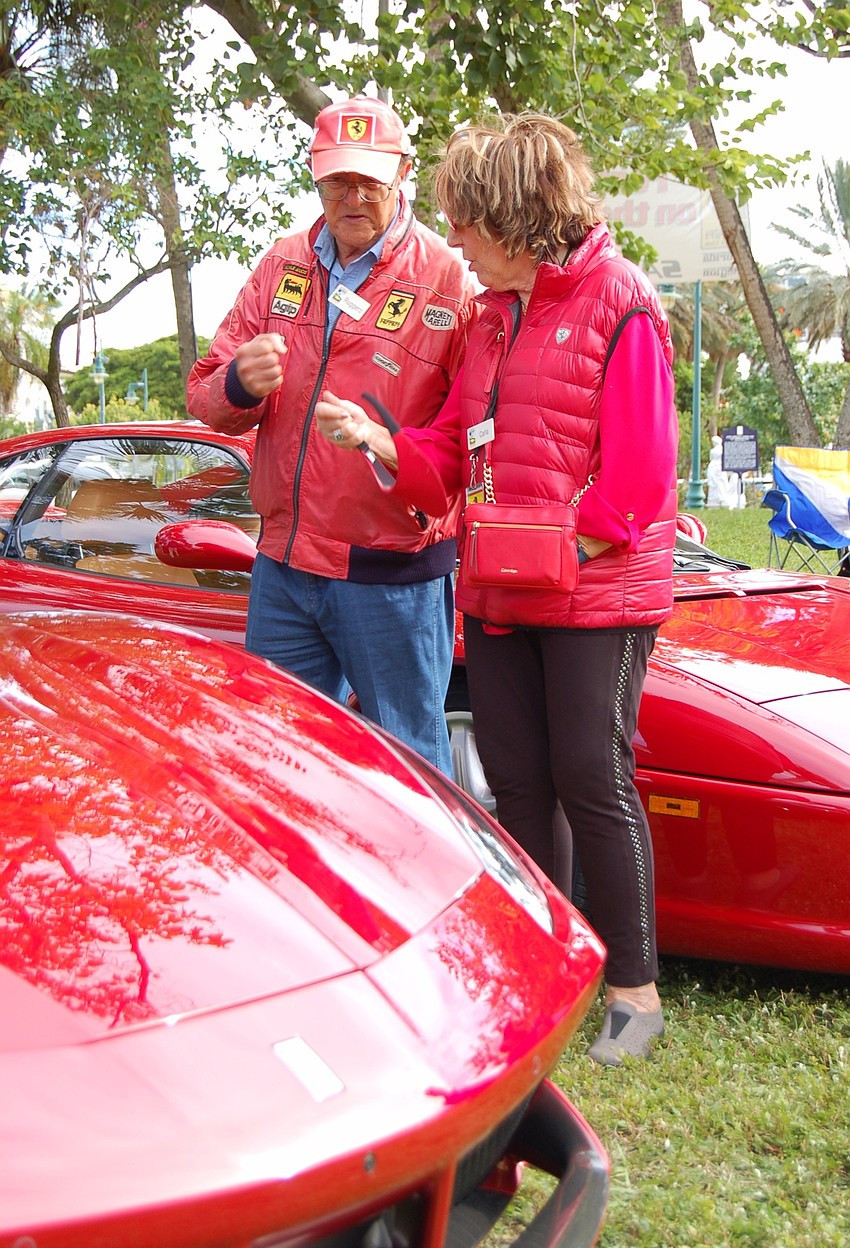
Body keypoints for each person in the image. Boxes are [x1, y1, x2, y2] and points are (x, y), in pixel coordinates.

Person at [315, 114, 679, 1065]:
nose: (458, 247)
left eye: (467, 227)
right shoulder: (488, 317)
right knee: (516, 780)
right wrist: (386, 440)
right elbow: (449, 445)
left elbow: (634, 485)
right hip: (504, 588)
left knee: (592, 778)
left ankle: (635, 996)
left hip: (595, 594)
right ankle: (545, 966)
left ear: (516, 218)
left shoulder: (621, 302)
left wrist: (546, 547)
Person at [187, 95, 478, 773]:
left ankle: (419, 882)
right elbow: (206, 390)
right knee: (275, 761)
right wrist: (239, 384)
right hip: (284, 568)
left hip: (390, 576)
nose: (354, 194)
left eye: (371, 179)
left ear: (403, 173)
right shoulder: (283, 263)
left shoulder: (449, 282)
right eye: (339, 178)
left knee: (410, 769)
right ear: (315, 175)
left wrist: (383, 445)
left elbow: (465, 443)